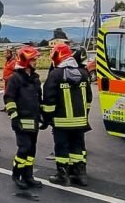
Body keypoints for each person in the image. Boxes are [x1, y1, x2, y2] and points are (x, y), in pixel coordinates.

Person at [42, 43, 92, 186]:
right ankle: (80, 175)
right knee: (78, 147)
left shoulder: (55, 75)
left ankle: (62, 175)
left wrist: (47, 119)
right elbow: (88, 99)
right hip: (80, 121)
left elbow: (49, 101)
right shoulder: (83, 73)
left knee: (62, 148)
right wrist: (84, 115)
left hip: (61, 122)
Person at [5, 46, 43, 189]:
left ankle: (28, 176)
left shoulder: (35, 78)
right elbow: (9, 98)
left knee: (31, 149)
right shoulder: (15, 78)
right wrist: (14, 117)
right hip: (21, 120)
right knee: (24, 148)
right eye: (33, 60)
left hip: (33, 120)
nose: (35, 62)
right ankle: (17, 174)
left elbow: (39, 98)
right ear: (25, 61)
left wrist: (43, 116)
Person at [0, 47, 16, 112]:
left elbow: (15, 72)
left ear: (9, 54)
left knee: (9, 95)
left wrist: (8, 77)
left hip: (10, 81)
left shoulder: (13, 62)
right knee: (6, 94)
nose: (4, 55)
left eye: (6, 54)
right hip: (7, 81)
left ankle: (10, 108)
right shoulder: (8, 61)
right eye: (4, 54)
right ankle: (7, 106)